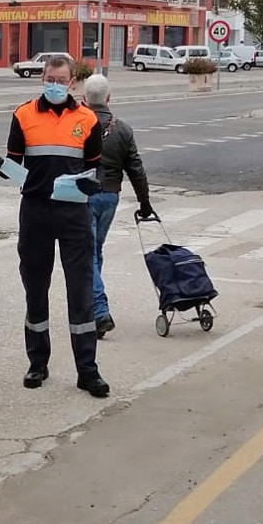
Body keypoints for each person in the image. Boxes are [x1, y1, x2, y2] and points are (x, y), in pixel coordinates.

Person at [4, 55, 109, 397]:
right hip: (35, 212)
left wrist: (94, 184)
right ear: (42, 79)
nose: (55, 85)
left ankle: (87, 370)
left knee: (80, 292)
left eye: (61, 80)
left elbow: (98, 167)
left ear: (72, 83)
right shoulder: (23, 115)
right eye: (50, 79)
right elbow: (13, 166)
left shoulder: (87, 119)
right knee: (36, 288)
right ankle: (37, 363)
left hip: (74, 214)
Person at [81, 74, 156, 338]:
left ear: (84, 98)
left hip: (84, 195)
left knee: (87, 253)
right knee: (95, 250)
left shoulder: (78, 125)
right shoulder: (123, 129)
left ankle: (99, 311)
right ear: (109, 98)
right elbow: (136, 168)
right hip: (110, 197)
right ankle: (91, 307)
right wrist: (144, 201)